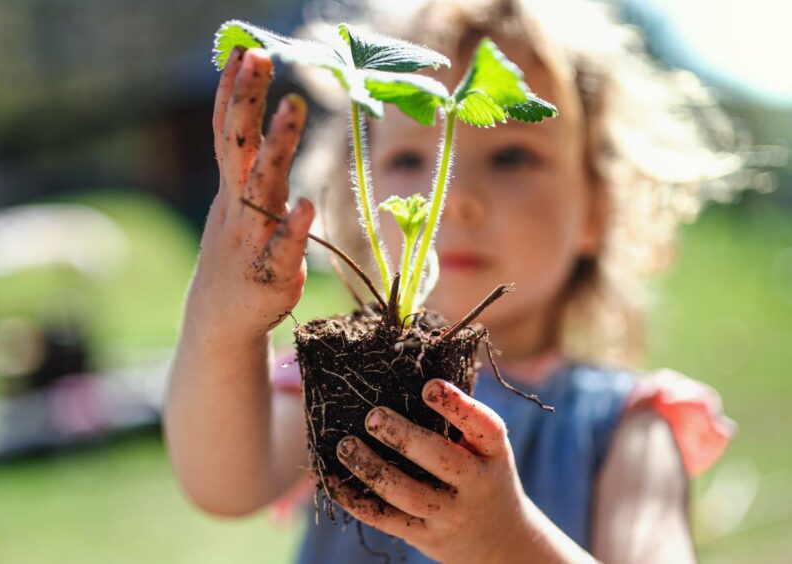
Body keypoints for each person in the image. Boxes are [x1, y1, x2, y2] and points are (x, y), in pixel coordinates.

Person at [164, 0, 740, 561]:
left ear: (596, 208)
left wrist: (505, 541)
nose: (456, 197)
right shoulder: (338, 374)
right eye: (411, 159)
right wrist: (223, 322)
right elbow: (222, 484)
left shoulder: (630, 427)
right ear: (356, 192)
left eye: (512, 156)